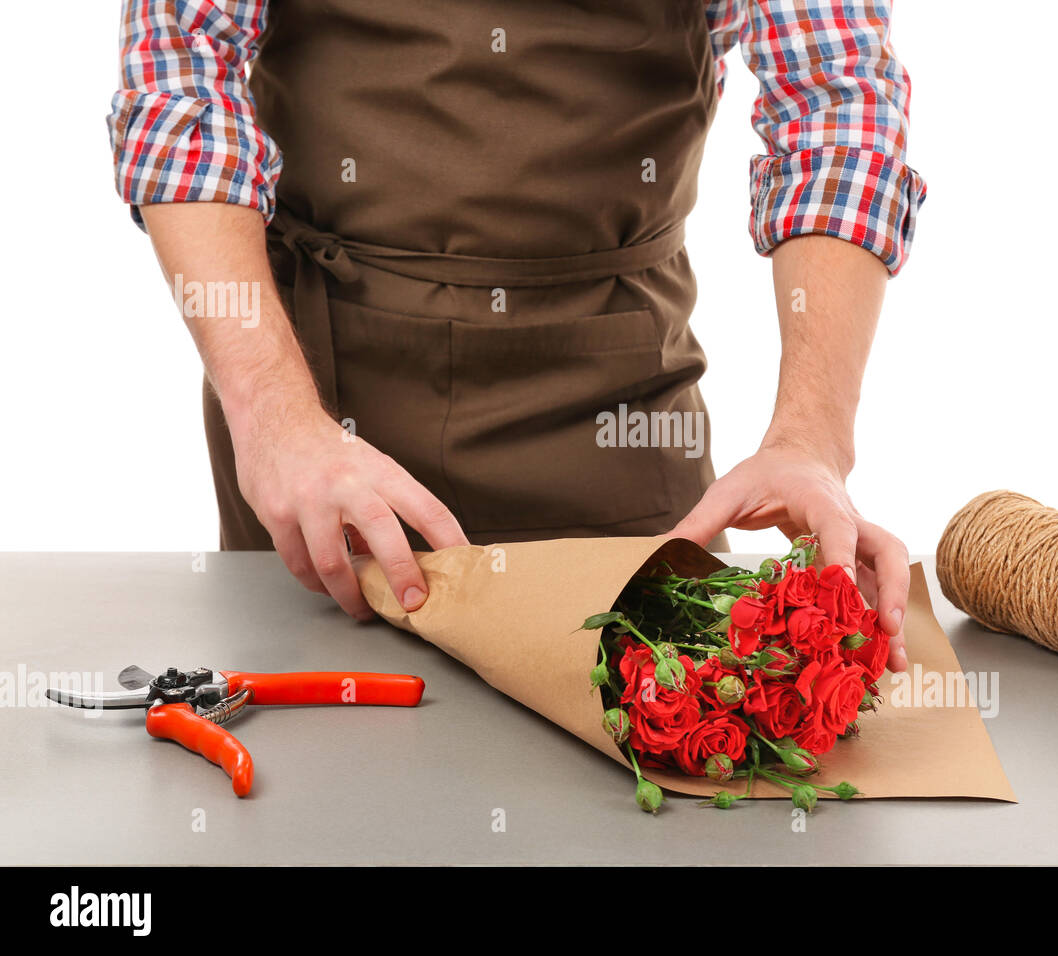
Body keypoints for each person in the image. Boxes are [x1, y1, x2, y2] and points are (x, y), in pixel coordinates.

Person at [110, 1, 924, 672]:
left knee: (637, 764)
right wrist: (275, 418)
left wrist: (811, 440)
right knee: (312, 785)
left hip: (614, 414)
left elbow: (834, 108)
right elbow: (181, 77)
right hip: (316, 401)